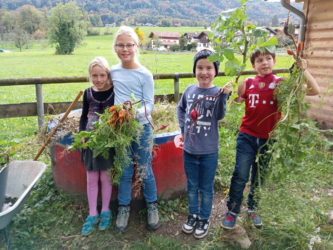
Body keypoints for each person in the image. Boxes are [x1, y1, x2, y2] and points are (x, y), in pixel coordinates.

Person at [221, 49, 320, 230]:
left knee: (260, 177)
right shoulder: (247, 83)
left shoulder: (282, 84)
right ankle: (233, 210)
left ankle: (253, 208)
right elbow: (235, 102)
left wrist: (303, 70)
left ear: (274, 61)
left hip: (269, 140)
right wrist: (229, 91)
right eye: (260, 60)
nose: (264, 62)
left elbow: (314, 90)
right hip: (247, 136)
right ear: (254, 65)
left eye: (268, 59)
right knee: (240, 175)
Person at [177, 49, 233, 239]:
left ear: (215, 71)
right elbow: (181, 109)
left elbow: (219, 115)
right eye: (200, 67)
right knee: (192, 185)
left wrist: (224, 95)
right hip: (189, 150)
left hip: (209, 151)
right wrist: (183, 130)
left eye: (209, 67)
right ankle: (193, 214)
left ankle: (204, 218)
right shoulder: (189, 91)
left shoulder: (217, 92)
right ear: (194, 70)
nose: (204, 72)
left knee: (206, 188)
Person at [110, 26, 159, 233]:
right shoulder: (112, 71)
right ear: (115, 47)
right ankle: (123, 208)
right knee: (124, 170)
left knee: (145, 168)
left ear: (136, 47)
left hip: (141, 129)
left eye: (129, 45)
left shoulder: (145, 74)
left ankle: (152, 206)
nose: (125, 49)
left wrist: (134, 113)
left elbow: (150, 103)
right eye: (120, 45)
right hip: (120, 130)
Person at [80, 56, 115, 235]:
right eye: (95, 75)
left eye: (102, 75)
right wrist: (82, 137)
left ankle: (106, 211)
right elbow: (82, 116)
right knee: (91, 178)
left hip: (107, 141)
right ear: (90, 75)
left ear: (108, 74)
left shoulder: (114, 91)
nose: (99, 79)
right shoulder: (88, 93)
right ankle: (92, 213)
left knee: (105, 177)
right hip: (91, 141)